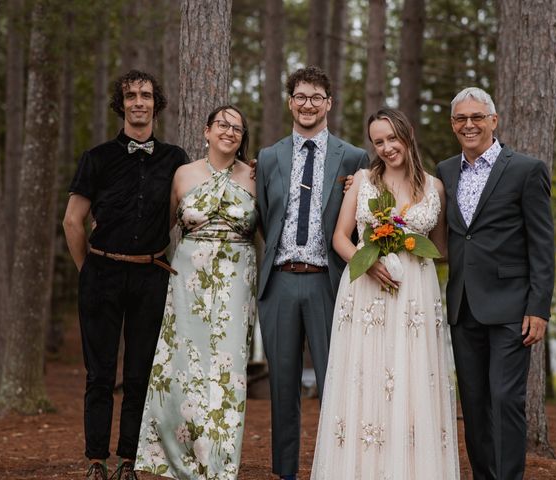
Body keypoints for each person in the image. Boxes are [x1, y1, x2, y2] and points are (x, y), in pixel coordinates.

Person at [311, 108, 459, 479]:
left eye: (392, 138)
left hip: (416, 294)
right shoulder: (362, 180)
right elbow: (340, 238)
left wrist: (407, 244)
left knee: (411, 377)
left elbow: (440, 248)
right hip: (365, 289)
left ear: (407, 134)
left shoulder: (435, 187)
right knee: (367, 376)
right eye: (379, 142)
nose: (387, 147)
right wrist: (369, 260)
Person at [62, 70, 189, 480]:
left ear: (156, 102)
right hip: (101, 274)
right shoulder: (96, 158)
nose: (139, 102)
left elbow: (179, 211)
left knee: (140, 374)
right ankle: (96, 460)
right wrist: (91, 271)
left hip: (151, 276)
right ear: (121, 104)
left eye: (146, 95)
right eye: (131, 95)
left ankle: (129, 462)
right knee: (99, 373)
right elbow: (72, 222)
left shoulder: (175, 160)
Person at [255, 66, 369, 480]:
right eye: (300, 97)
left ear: (329, 104)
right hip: (280, 280)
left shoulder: (353, 157)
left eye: (316, 97)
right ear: (290, 102)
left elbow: (358, 222)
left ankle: (336, 468)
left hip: (329, 282)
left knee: (334, 382)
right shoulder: (268, 158)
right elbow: (265, 217)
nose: (307, 104)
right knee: (282, 387)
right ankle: (285, 472)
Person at [436, 87, 554, 480]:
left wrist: (539, 308)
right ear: (453, 125)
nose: (468, 125)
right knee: (473, 403)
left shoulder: (526, 169)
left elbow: (542, 244)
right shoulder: (446, 170)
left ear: (493, 120)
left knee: (505, 400)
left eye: (476, 117)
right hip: (463, 306)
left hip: (511, 309)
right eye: (460, 119)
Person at [134, 105, 257, 479]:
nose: (229, 131)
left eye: (237, 128)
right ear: (206, 131)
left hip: (237, 281)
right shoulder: (183, 175)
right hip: (188, 279)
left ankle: (219, 463)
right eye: (223, 124)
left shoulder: (255, 176)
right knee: (183, 368)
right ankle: (178, 456)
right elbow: (159, 226)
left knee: (227, 371)